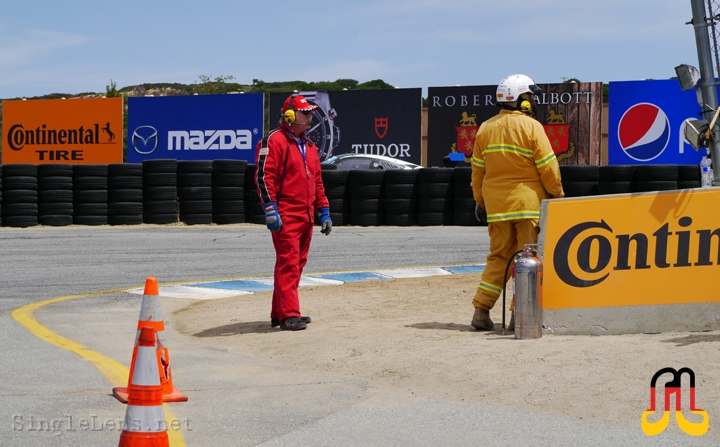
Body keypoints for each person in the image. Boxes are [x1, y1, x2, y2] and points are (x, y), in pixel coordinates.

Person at [470, 74, 564, 331]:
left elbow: (477, 172)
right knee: (528, 259)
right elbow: (548, 168)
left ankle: (481, 310)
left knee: (498, 257)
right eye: (530, 96)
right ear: (520, 99)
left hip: (496, 207)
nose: (533, 101)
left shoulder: (484, 128)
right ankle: (518, 316)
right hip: (527, 206)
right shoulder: (532, 127)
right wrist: (557, 196)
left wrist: (480, 201)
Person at [255, 94, 332, 331]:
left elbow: (317, 182)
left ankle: (279, 313)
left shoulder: (310, 146)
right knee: (289, 263)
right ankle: (290, 314)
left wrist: (324, 210)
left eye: (311, 113)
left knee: (296, 264)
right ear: (289, 115)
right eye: (305, 112)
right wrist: (270, 208)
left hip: (306, 216)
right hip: (286, 215)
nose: (310, 117)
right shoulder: (273, 141)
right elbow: (263, 177)